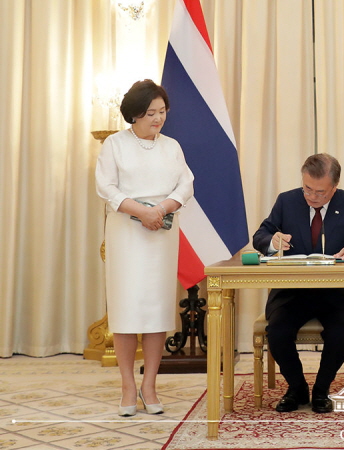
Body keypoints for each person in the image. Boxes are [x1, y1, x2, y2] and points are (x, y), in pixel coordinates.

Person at [95, 79, 194, 417]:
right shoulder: (114, 144)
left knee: (156, 310)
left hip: (161, 233)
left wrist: (161, 209)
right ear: (134, 114)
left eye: (162, 111)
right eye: (150, 112)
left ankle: (149, 384)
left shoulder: (172, 146)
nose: (158, 118)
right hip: (126, 232)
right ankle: (126, 385)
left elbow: (186, 184)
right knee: (125, 310)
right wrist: (141, 211)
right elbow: (105, 186)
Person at [252, 153, 344, 413]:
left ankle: (321, 390)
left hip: (337, 292)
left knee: (339, 334)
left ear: (334, 187)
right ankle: (297, 388)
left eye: (320, 192)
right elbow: (261, 235)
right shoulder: (287, 201)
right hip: (293, 290)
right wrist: (273, 241)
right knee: (278, 333)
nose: (312, 196)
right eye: (307, 189)